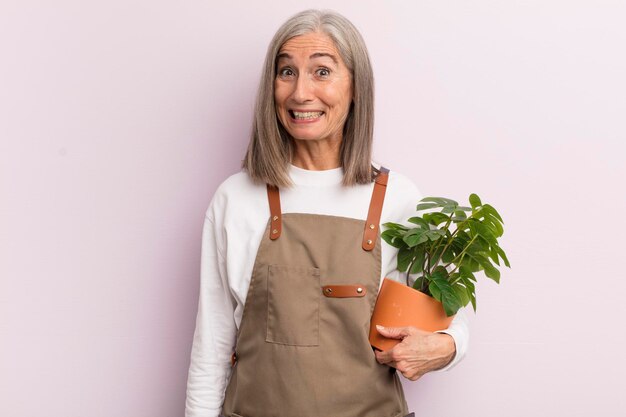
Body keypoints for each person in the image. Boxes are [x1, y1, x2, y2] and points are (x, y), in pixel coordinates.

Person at [185, 9, 469, 417]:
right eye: (286, 72)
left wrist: (446, 347)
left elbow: (453, 314)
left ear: (356, 87)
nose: (301, 93)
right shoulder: (236, 198)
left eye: (321, 72)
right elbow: (211, 349)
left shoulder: (399, 200)